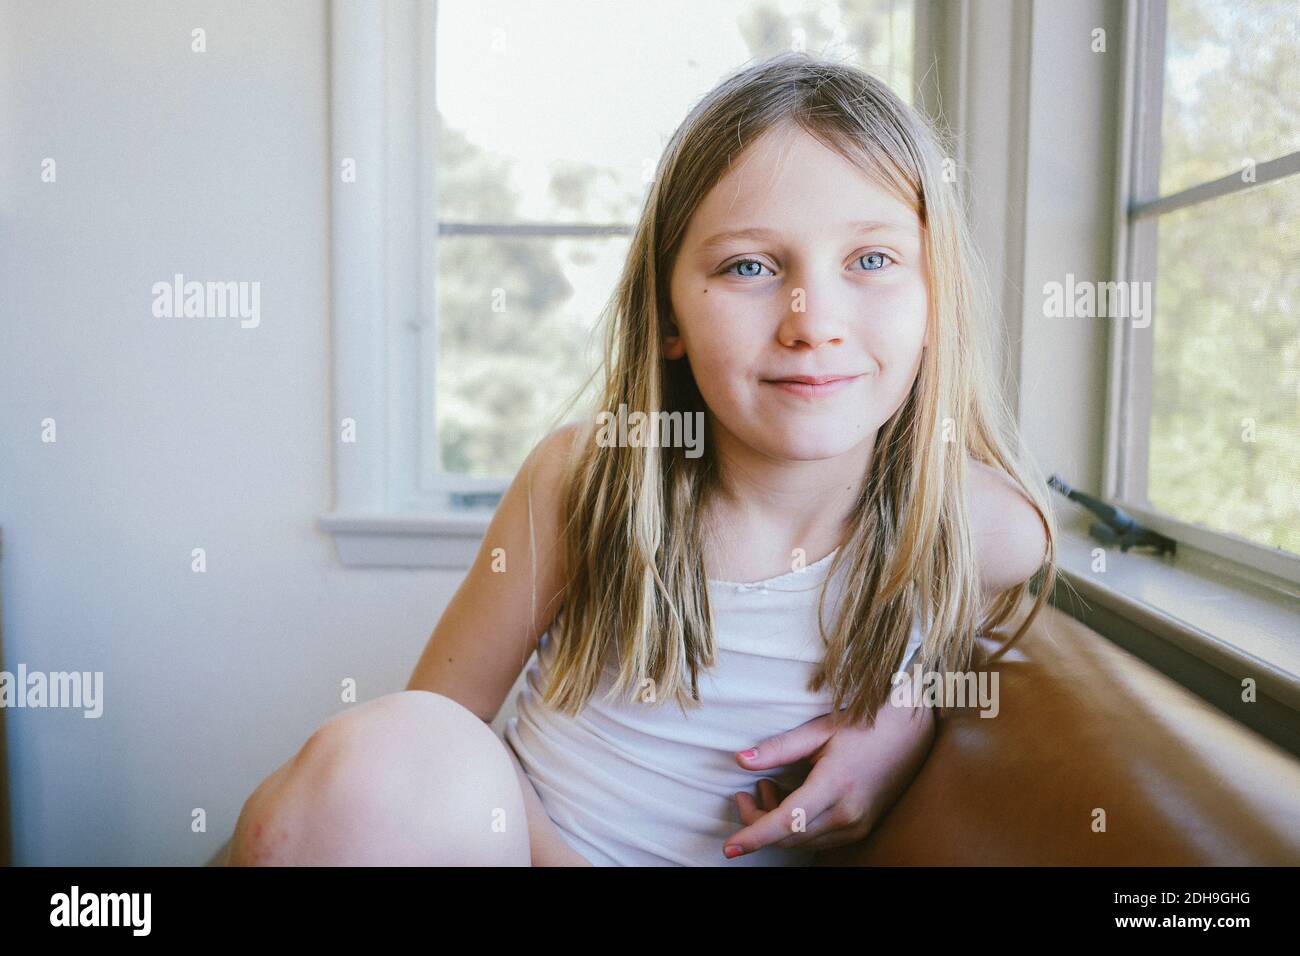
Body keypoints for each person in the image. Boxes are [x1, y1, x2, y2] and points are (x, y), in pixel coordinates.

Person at [218, 50, 1056, 868]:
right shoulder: (587, 481)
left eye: (871, 260)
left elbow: (962, 664)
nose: (813, 320)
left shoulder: (983, 529)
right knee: (378, 761)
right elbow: (435, 734)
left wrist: (902, 721)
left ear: (935, 298)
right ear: (667, 317)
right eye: (750, 267)